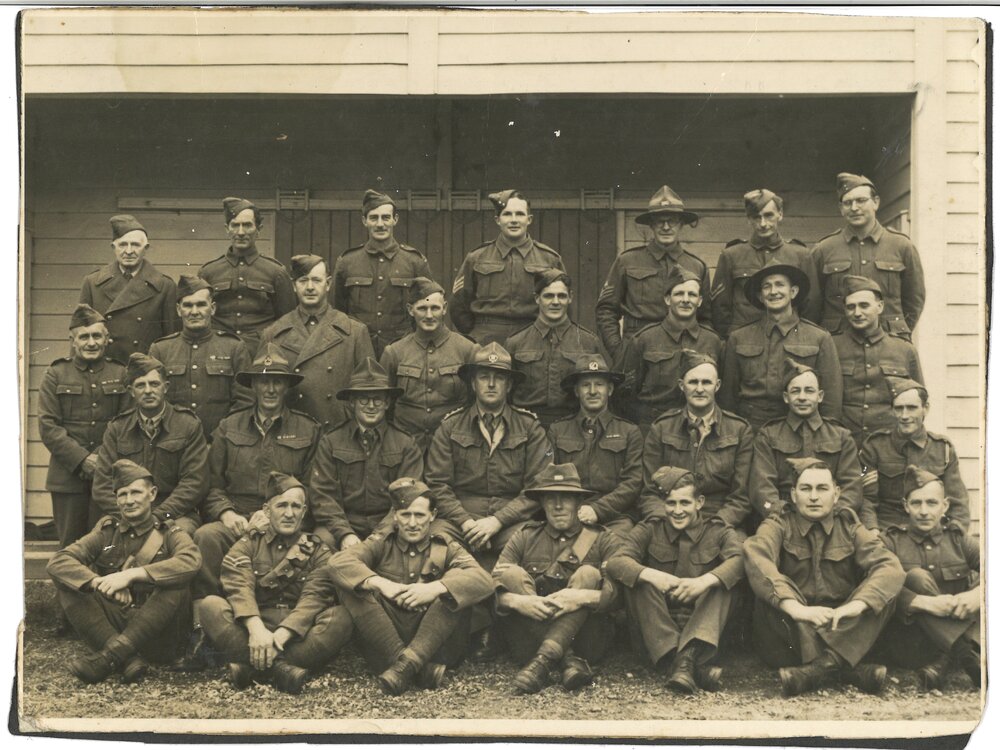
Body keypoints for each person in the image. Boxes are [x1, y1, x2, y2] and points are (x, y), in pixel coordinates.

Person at [744, 458, 904, 697]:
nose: (814, 497)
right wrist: (797, 608)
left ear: (836, 493)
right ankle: (845, 666)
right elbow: (757, 558)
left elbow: (889, 567)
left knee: (883, 592)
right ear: (793, 494)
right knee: (773, 588)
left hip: (840, 623)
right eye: (806, 489)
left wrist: (855, 607)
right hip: (792, 631)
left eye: (822, 488)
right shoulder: (778, 524)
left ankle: (819, 669)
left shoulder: (849, 526)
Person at [324, 477, 494, 695]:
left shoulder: (446, 545)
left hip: (438, 647)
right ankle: (412, 667)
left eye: (420, 515)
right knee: (350, 585)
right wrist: (382, 584)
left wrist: (435, 588)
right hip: (385, 639)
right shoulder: (381, 544)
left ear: (432, 516)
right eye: (405, 515)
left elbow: (483, 580)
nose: (412, 523)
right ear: (395, 515)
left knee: (455, 585)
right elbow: (338, 562)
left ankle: (404, 666)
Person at [47, 459, 201, 684]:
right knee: (69, 587)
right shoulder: (107, 532)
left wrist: (130, 575)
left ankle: (110, 657)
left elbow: (191, 560)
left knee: (176, 585)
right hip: (116, 627)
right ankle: (126, 657)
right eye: (122, 494)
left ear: (152, 494)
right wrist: (100, 583)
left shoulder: (170, 532)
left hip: (160, 636)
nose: (129, 501)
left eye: (136, 493)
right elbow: (58, 561)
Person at [199, 472, 352, 694]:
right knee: (210, 606)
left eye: (296, 506)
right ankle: (283, 670)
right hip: (253, 631)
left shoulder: (317, 549)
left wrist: (280, 636)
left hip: (296, 634)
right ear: (267, 510)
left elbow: (315, 598)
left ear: (304, 512)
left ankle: (252, 669)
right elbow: (238, 586)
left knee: (342, 618)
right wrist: (257, 630)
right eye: (282, 506)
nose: (289, 513)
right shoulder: (248, 544)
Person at [193, 344, 322, 602]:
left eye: (277, 382)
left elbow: (313, 489)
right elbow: (212, 484)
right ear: (253, 386)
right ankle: (207, 616)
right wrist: (226, 514)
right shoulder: (229, 426)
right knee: (205, 536)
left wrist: (276, 516)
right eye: (264, 382)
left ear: (287, 387)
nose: (270, 389)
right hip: (239, 517)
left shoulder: (308, 430)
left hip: (288, 516)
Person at [606, 467, 745, 693]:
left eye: (684, 503)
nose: (677, 511)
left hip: (703, 635)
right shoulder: (650, 528)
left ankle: (686, 659)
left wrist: (704, 581)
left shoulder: (718, 530)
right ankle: (686, 665)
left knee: (723, 582)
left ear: (699, 502)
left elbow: (739, 560)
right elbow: (616, 561)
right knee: (639, 579)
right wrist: (653, 575)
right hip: (656, 641)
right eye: (671, 503)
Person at [493, 463, 622, 694]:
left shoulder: (603, 539)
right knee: (510, 574)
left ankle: (543, 661)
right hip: (528, 641)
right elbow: (492, 587)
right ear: (542, 502)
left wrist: (583, 597)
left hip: (586, 641)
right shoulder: (524, 536)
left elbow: (620, 595)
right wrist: (517, 601)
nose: (559, 505)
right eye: (551, 498)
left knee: (588, 574)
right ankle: (566, 660)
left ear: (579, 503)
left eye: (567, 498)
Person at [424, 342, 553, 560]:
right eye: (484, 377)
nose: (491, 384)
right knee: (435, 540)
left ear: (509, 385)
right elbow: (437, 484)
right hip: (460, 522)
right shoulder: (451, 426)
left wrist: (497, 521)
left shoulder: (529, 427)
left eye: (499, 378)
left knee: (534, 542)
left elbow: (538, 487)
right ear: (473, 384)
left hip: (510, 522)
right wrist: (465, 522)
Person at [878, 466, 981, 691]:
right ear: (906, 506)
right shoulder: (890, 542)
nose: (924, 511)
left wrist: (977, 596)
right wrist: (923, 603)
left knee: (982, 582)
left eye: (932, 503)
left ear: (944, 506)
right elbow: (874, 585)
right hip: (910, 641)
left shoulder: (959, 540)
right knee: (915, 577)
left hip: (955, 634)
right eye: (916, 503)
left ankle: (946, 659)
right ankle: (963, 655)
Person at [308, 358, 424, 552]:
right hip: (343, 524)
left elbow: (408, 498)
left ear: (387, 403)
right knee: (321, 543)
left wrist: (380, 535)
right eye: (364, 399)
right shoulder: (331, 441)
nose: (371, 405)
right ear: (352, 403)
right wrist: (345, 533)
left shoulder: (405, 443)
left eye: (377, 399)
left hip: (391, 525)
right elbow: (323, 496)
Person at [39, 304, 129, 549]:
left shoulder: (121, 373)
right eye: (84, 336)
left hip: (109, 475)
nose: (91, 342)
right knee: (70, 547)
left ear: (107, 339)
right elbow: (48, 426)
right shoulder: (55, 374)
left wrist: (101, 457)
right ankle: (69, 589)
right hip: (67, 477)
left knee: (107, 545)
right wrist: (82, 459)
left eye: (97, 336)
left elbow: (125, 421)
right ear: (73, 340)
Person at [90, 352, 208, 536]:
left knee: (179, 536)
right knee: (101, 537)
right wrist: (133, 514)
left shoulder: (188, 425)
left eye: (154, 384)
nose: (148, 391)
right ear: (131, 391)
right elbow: (102, 486)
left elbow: (194, 484)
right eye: (140, 385)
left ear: (165, 387)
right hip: (126, 512)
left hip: (174, 514)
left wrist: (157, 516)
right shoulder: (117, 428)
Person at [718, 258, 842, 430]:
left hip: (800, 427)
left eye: (779, 285)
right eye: (766, 286)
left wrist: (826, 435)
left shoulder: (819, 338)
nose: (773, 291)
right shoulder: (739, 338)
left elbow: (831, 400)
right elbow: (728, 398)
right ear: (760, 296)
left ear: (793, 291)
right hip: (750, 428)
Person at [257, 253, 375, 430]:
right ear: (294, 286)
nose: (310, 287)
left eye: (316, 280)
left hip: (339, 432)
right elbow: (261, 391)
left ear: (328, 284)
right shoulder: (273, 333)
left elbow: (370, 391)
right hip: (290, 434)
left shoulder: (355, 332)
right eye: (303, 280)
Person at [595, 185, 711, 360]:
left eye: (671, 221)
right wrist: (619, 352)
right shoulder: (627, 261)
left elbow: (706, 317)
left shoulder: (696, 266)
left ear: (680, 225)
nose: (666, 227)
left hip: (682, 351)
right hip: (637, 350)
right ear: (651, 225)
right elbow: (606, 310)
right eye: (660, 221)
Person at [749, 359, 869, 526]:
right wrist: (782, 515)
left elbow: (852, 487)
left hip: (832, 522)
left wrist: (832, 515)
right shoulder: (768, 436)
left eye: (809, 391)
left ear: (819, 396)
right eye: (796, 391)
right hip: (782, 521)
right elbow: (761, 487)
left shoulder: (841, 436)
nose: (802, 397)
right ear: (786, 397)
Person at [641, 351, 753, 529]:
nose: (699, 389)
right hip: (671, 518)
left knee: (739, 553)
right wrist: (666, 522)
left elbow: (740, 497)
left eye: (706, 382)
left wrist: (718, 524)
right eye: (693, 382)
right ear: (681, 385)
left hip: (719, 521)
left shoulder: (739, 430)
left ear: (717, 386)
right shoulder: (661, 428)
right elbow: (649, 493)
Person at [811, 173, 925, 340]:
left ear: (876, 202)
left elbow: (914, 300)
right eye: (848, 203)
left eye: (861, 200)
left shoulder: (901, 246)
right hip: (838, 345)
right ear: (841, 208)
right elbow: (812, 304)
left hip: (890, 343)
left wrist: (898, 333)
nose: (854, 208)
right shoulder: (824, 249)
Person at [450, 190, 565, 345]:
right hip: (486, 339)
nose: (513, 220)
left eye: (519, 214)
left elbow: (562, 305)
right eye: (507, 214)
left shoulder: (549, 258)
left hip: (533, 338)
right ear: (498, 220)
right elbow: (458, 306)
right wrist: (475, 336)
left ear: (529, 219)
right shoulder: (477, 257)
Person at [616, 264, 723, 430]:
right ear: (667, 299)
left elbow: (722, 393)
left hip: (700, 429)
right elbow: (624, 395)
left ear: (700, 301)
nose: (686, 300)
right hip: (653, 428)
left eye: (692, 295)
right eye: (679, 294)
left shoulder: (713, 341)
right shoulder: (644, 339)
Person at [149, 274, 253, 440]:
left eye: (201, 305)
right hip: (173, 442)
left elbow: (245, 402)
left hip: (221, 443)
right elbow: (154, 401)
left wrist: (219, 439)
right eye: (188, 305)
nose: (194, 312)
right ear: (178, 310)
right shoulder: (160, 349)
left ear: (212, 308)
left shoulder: (233, 347)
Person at [548, 354, 643, 534]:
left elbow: (632, 483)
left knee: (616, 549)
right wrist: (570, 511)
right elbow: (550, 478)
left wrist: (598, 510)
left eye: (599, 384)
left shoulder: (629, 431)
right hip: (568, 514)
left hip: (615, 517)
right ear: (576, 391)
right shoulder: (558, 430)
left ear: (610, 389)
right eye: (585, 385)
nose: (592, 391)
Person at [332, 189, 434, 358]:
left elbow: (428, 309)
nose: (380, 224)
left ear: (395, 220)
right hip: (357, 352)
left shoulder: (414, 261)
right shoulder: (347, 262)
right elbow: (337, 312)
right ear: (365, 221)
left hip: (403, 352)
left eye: (386, 217)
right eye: (374, 217)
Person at [860, 377, 970, 532]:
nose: (904, 415)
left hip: (931, 532)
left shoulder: (942, 449)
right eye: (899, 408)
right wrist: (872, 531)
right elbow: (867, 500)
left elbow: (958, 503)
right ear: (892, 410)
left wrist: (953, 535)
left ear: (925, 408)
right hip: (888, 531)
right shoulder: (875, 446)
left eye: (911, 408)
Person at [379, 277, 476, 451]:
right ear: (410, 310)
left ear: (444, 308)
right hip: (405, 446)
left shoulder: (467, 350)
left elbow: (475, 402)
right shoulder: (394, 352)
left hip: (453, 445)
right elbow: (383, 404)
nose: (429, 315)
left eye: (435, 308)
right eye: (422, 308)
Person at [710, 188, 820, 337]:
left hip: (789, 337)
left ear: (780, 214)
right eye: (756, 217)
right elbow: (720, 307)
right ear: (749, 219)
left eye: (769, 216)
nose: (763, 223)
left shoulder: (800, 255)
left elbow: (811, 304)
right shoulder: (731, 255)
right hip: (744, 340)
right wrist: (730, 339)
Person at [505, 269, 606, 427]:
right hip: (525, 425)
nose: (556, 302)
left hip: (573, 427)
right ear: (537, 298)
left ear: (570, 297)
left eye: (562, 296)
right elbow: (507, 393)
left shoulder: (588, 342)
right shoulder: (516, 342)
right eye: (548, 296)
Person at [832, 275, 923, 446]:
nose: (857, 313)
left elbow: (918, 402)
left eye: (864, 305)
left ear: (880, 306)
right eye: (850, 307)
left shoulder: (904, 350)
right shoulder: (831, 347)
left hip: (890, 446)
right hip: (843, 445)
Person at [198, 196, 296, 352]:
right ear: (226, 229)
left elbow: (288, 323)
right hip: (218, 354)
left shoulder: (276, 272)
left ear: (258, 229)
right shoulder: (209, 272)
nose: (241, 232)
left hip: (260, 353)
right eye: (235, 225)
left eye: (247, 225)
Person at [79, 214, 179, 362]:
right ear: (113, 247)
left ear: (146, 248)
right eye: (123, 244)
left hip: (145, 374)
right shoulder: (92, 283)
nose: (129, 251)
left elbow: (172, 340)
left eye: (135, 245)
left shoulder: (164, 286)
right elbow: (80, 334)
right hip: (105, 370)